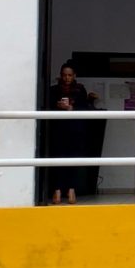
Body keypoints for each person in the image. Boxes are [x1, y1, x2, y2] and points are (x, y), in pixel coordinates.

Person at [46, 61, 89, 205]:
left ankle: (71, 189)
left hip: (75, 129)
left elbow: (84, 108)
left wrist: (71, 108)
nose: (67, 78)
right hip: (57, 129)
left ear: (74, 76)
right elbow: (46, 107)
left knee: (73, 158)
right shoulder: (53, 90)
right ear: (60, 75)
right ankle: (57, 190)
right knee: (57, 158)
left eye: (69, 75)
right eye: (64, 75)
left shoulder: (80, 90)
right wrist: (57, 106)